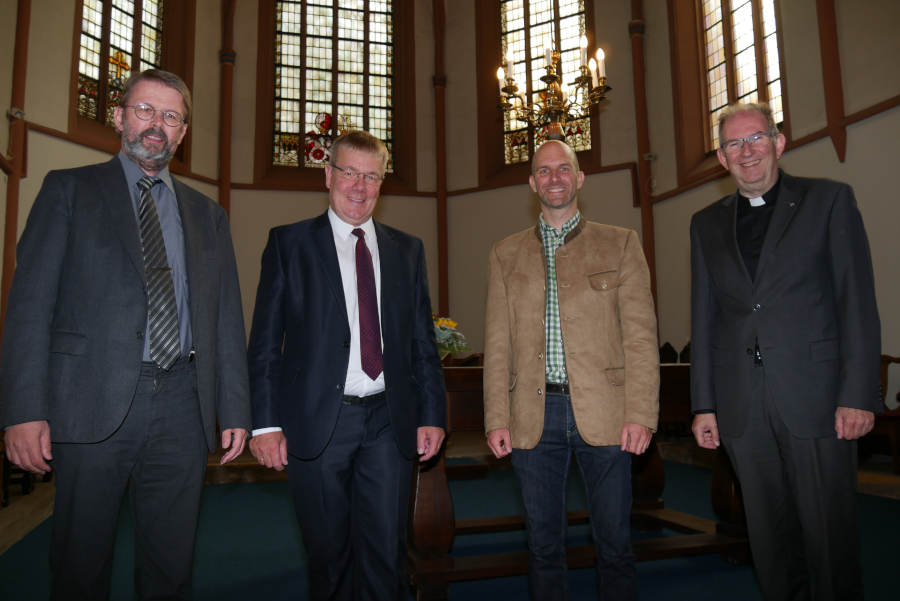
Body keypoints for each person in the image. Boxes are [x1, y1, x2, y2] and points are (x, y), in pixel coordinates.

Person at [0, 69, 250, 600]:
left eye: (171, 116)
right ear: (119, 118)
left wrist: (235, 408)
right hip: (90, 401)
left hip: (183, 405)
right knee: (80, 563)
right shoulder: (68, 190)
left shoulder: (209, 216)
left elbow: (226, 317)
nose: (156, 125)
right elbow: (29, 307)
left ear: (183, 133)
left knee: (170, 564)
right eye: (144, 110)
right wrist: (23, 409)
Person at [690, 102, 881, 601]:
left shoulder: (828, 201)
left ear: (779, 142)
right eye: (734, 144)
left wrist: (859, 393)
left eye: (756, 139)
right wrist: (703, 404)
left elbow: (856, 301)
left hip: (817, 398)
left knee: (828, 535)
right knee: (770, 541)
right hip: (742, 406)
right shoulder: (705, 223)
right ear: (721, 157)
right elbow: (704, 317)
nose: (746, 151)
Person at [247, 130, 446, 601]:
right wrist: (264, 424)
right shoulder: (288, 245)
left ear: (382, 184)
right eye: (350, 173)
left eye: (371, 176)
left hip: (388, 421)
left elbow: (422, 340)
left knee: (386, 558)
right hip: (318, 423)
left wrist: (432, 414)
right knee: (329, 560)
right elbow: (263, 345)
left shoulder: (407, 250)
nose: (359, 187)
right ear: (328, 175)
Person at [483, 139, 659, 601]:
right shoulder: (505, 253)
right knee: (542, 547)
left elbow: (640, 337)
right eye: (544, 170)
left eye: (564, 169)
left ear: (579, 178)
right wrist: (496, 418)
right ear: (532, 183)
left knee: (615, 545)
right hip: (532, 415)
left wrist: (641, 413)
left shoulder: (620, 243)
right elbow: (497, 343)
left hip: (607, 412)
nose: (554, 178)